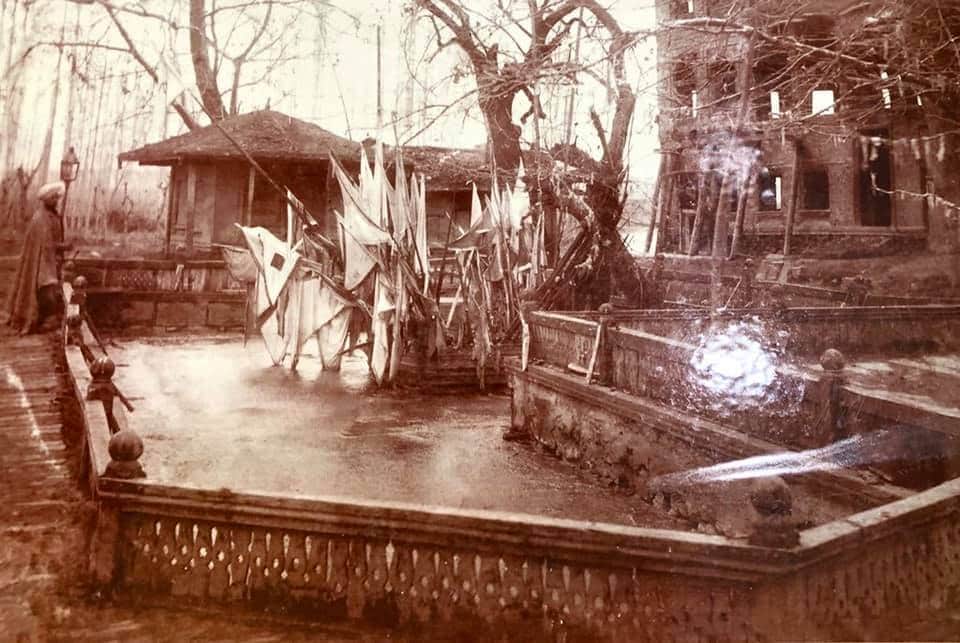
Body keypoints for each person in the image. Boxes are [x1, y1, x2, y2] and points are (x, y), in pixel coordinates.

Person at [5, 181, 71, 334]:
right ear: (46, 199)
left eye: (57, 198)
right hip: (41, 261)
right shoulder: (41, 218)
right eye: (53, 198)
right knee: (46, 288)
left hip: (49, 259)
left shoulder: (52, 215)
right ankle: (35, 320)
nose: (56, 201)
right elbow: (47, 245)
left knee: (48, 289)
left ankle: (44, 319)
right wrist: (64, 246)